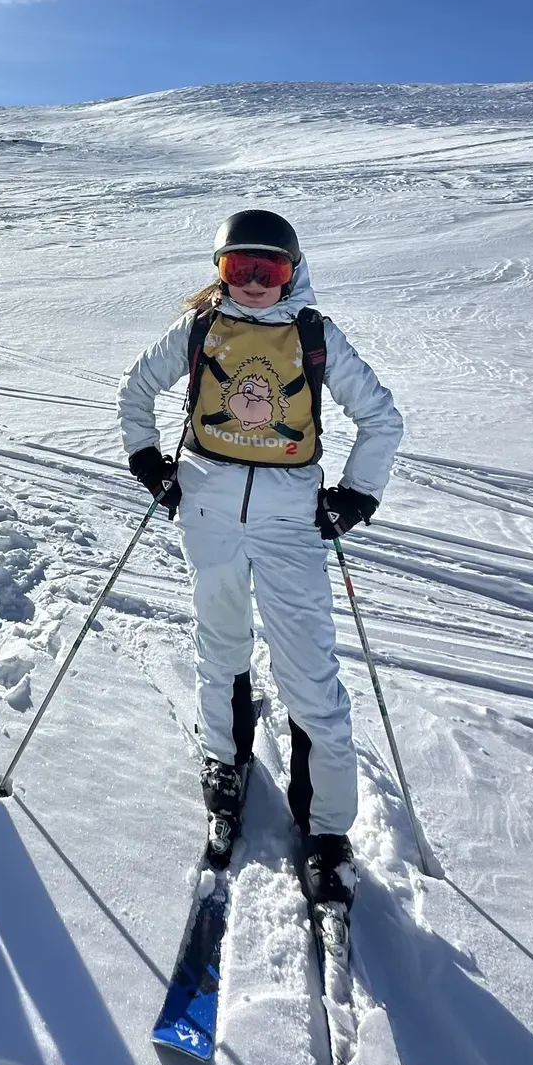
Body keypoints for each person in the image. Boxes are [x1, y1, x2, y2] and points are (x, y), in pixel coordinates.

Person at [117, 209, 402, 908]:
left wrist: (356, 496)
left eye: (266, 268)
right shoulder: (200, 329)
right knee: (220, 648)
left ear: (291, 272)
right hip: (209, 514)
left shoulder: (314, 335)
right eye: (236, 267)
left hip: (288, 523)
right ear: (219, 272)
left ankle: (326, 830)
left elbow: (381, 417)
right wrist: (149, 462)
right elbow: (136, 389)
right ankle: (225, 760)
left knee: (310, 673)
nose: (251, 281)